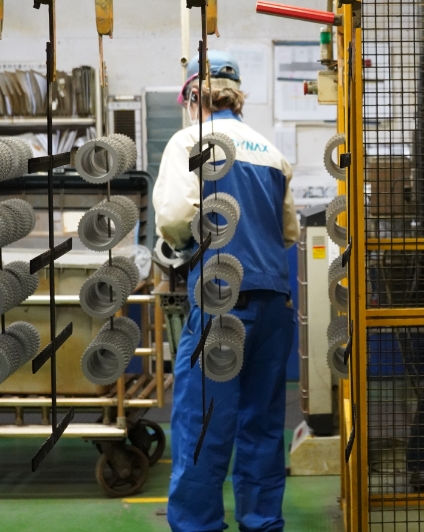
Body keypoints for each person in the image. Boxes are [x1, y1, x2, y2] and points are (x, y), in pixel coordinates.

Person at [154, 50, 298, 532]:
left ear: (194, 95)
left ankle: (198, 526)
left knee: (204, 426)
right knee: (262, 427)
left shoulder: (190, 141)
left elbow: (176, 215)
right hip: (273, 305)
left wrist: (180, 245)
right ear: (238, 97)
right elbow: (289, 232)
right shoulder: (272, 153)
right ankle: (262, 522)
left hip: (221, 303)